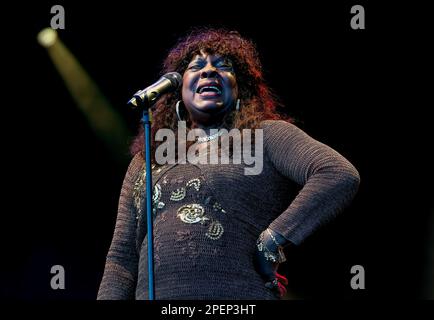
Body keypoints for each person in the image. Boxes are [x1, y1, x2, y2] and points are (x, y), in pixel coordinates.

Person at [97, 28, 360, 300]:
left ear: (240, 88)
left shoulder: (266, 135)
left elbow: (336, 173)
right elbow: (121, 257)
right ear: (178, 91)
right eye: (196, 66)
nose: (209, 71)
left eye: (224, 67)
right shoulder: (148, 159)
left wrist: (273, 239)